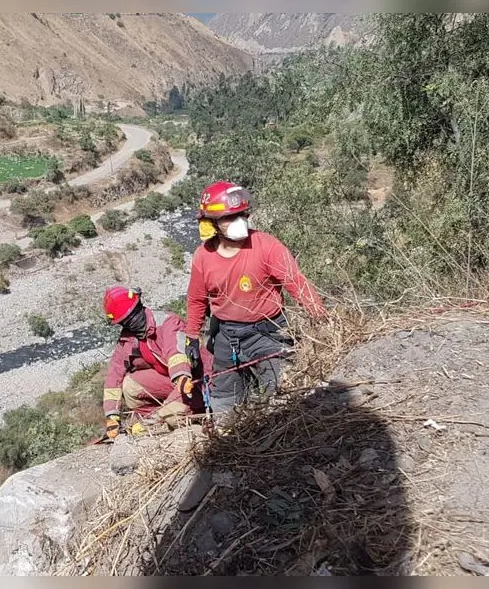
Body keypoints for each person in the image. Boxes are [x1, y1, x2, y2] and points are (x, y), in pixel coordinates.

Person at [183, 180, 328, 422]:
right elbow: (197, 299)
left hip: (269, 333)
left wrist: (321, 317)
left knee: (284, 392)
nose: (239, 221)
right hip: (226, 337)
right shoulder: (203, 257)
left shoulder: (266, 246)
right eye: (230, 217)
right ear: (213, 224)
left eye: (241, 215)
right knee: (225, 404)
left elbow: (297, 284)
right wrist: (192, 337)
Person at [101, 285, 212, 440]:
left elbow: (176, 350)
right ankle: (157, 416)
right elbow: (115, 372)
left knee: (172, 414)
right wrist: (111, 416)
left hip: (198, 380)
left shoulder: (167, 323)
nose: (129, 324)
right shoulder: (129, 338)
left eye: (130, 319)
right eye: (125, 322)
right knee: (130, 386)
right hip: (173, 381)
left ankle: (184, 421)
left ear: (139, 307)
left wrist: (181, 375)